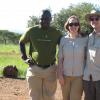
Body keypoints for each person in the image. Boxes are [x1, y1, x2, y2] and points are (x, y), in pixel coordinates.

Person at [19, 9, 63, 100]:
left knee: (49, 96)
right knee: (35, 96)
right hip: (34, 69)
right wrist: (24, 57)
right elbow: (21, 42)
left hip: (50, 70)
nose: (44, 21)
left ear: (51, 19)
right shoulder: (32, 31)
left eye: (47, 18)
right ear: (39, 19)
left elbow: (65, 44)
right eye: (42, 18)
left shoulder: (56, 33)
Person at [58, 15, 88, 100]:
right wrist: (60, 75)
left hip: (79, 77)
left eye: (76, 24)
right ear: (67, 26)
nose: (73, 26)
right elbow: (60, 59)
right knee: (65, 98)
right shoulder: (63, 40)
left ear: (79, 26)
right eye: (71, 24)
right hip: (65, 76)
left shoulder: (85, 40)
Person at [83, 9, 100, 100]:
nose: (94, 21)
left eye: (97, 18)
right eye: (91, 19)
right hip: (87, 78)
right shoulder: (88, 37)